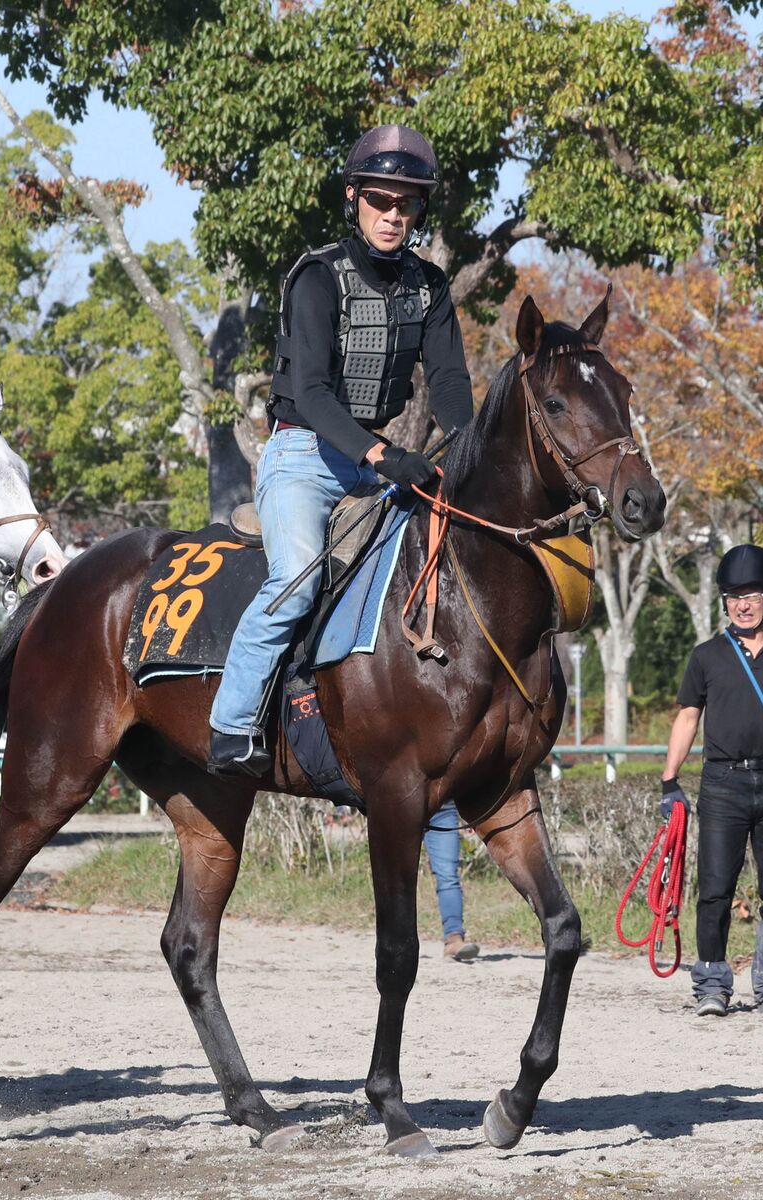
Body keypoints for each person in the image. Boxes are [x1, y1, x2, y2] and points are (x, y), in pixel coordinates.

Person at [207, 125, 474, 776]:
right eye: (380, 201)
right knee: (297, 584)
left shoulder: (430, 288)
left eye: (405, 204)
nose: (393, 215)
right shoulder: (318, 279)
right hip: (302, 451)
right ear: (353, 198)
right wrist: (384, 458)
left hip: (369, 456)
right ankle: (231, 723)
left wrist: (468, 452)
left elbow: (447, 384)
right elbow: (317, 396)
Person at [660, 544, 763, 1018]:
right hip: (722, 784)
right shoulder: (707, 656)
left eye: (751, 594)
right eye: (735, 596)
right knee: (715, 887)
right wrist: (669, 780)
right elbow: (688, 717)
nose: (743, 604)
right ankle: (712, 984)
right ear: (726, 602)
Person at [423, 801, 480, 961]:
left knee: (448, 876)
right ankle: (394, 939)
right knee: (397, 877)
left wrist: (471, 810)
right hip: (399, 804)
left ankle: (454, 939)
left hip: (442, 809)